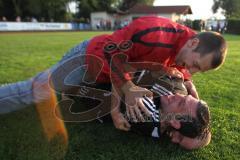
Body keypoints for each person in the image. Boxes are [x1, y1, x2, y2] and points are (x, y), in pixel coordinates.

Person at [0, 16, 227, 121]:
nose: (192, 71)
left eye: (199, 70)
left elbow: (181, 72)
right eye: (196, 65)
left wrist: (191, 89)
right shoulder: (154, 32)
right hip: (88, 58)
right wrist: (127, 88)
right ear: (194, 43)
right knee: (37, 91)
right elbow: (111, 52)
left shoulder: (185, 50)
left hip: (105, 75)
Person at [110, 69, 211, 150]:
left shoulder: (146, 114)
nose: (174, 139)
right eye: (186, 98)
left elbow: (118, 73)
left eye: (180, 140)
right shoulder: (180, 90)